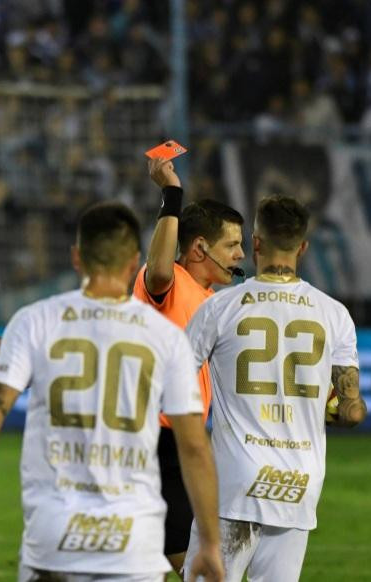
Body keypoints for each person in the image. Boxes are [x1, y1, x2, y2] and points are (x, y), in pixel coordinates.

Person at [0, 201, 224, 582]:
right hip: (132, 543)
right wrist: (212, 545)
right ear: (134, 261)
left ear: (76, 257)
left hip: (55, 539)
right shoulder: (167, 338)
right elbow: (195, 447)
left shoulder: (35, 322)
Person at [184, 196, 366, 580]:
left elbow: (173, 380)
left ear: (255, 243)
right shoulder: (334, 314)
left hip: (234, 481)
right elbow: (352, 412)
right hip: (298, 483)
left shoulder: (221, 308)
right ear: (303, 247)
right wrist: (326, 407)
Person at [132, 157, 244, 574]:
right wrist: (172, 195)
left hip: (183, 440)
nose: (240, 254)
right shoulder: (168, 280)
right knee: (183, 562)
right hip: (155, 440)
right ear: (200, 248)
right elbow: (159, 267)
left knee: (165, 562)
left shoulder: (213, 301)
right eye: (232, 245)